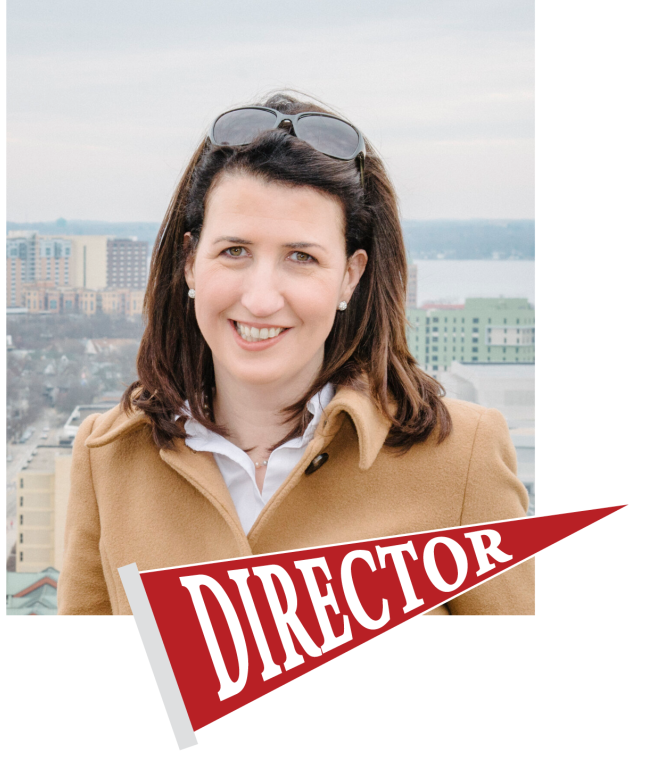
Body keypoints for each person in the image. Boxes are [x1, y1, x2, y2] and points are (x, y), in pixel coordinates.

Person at [58, 93, 533, 615]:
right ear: (192, 263)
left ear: (349, 276)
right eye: (234, 251)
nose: (261, 299)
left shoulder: (461, 458)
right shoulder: (109, 460)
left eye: (301, 257)